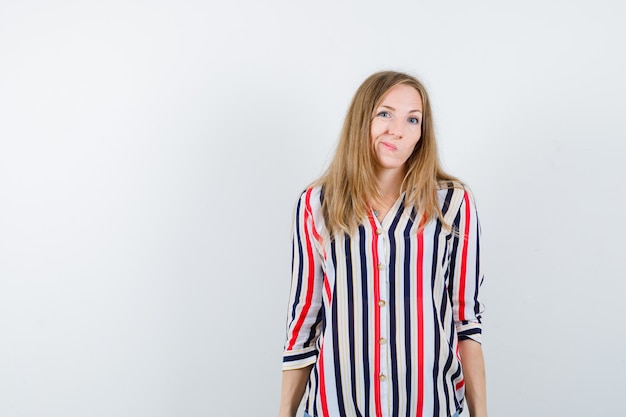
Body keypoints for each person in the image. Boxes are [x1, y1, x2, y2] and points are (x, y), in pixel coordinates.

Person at [278, 71, 487, 417]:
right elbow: (303, 321)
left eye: (413, 119)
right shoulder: (317, 204)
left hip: (430, 406)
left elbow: (466, 321)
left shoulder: (453, 205)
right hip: (338, 406)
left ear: (422, 132)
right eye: (385, 113)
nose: (398, 130)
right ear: (363, 119)